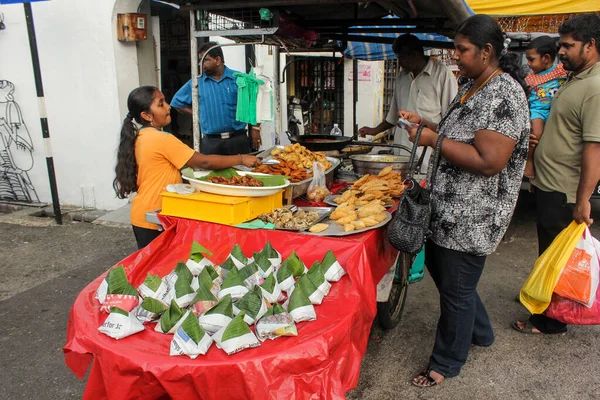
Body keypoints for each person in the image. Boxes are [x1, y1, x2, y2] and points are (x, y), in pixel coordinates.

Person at [399, 15, 530, 387]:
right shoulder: (473, 86)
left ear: (487, 52)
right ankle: (482, 333)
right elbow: (459, 135)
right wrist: (427, 124)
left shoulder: (503, 95)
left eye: (462, 49)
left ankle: (446, 362)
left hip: (472, 215)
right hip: (447, 209)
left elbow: (490, 162)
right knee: (452, 281)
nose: (455, 56)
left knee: (455, 291)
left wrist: (430, 141)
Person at [513, 14, 600, 335]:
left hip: (565, 189)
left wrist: (583, 200)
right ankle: (542, 303)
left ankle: (550, 321)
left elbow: (594, 148)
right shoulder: (575, 79)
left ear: (590, 45)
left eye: (568, 45)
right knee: (549, 251)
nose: (561, 51)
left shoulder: (594, 87)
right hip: (550, 183)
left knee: (558, 256)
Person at [113, 86, 261, 249]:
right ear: (147, 115)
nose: (168, 107)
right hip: (155, 217)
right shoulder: (161, 139)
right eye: (161, 104)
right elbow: (202, 162)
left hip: (142, 214)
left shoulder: (141, 136)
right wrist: (241, 158)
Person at [359, 34, 457, 170]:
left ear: (415, 54)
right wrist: (374, 130)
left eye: (401, 57)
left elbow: (451, 122)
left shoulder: (442, 74)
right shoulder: (401, 77)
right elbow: (393, 116)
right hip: (401, 153)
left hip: (427, 156)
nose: (399, 62)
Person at [170, 41, 262, 155]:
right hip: (211, 142)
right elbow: (177, 103)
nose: (200, 64)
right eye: (200, 60)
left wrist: (256, 129)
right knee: (212, 173)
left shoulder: (238, 79)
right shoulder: (196, 83)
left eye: (205, 60)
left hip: (237, 139)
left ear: (217, 60)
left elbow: (255, 103)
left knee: (242, 172)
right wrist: (199, 113)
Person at [523, 36, 568, 178]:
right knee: (535, 134)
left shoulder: (562, 71)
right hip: (539, 110)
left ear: (546, 58)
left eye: (531, 59)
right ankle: (529, 161)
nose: (528, 64)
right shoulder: (530, 78)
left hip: (557, 108)